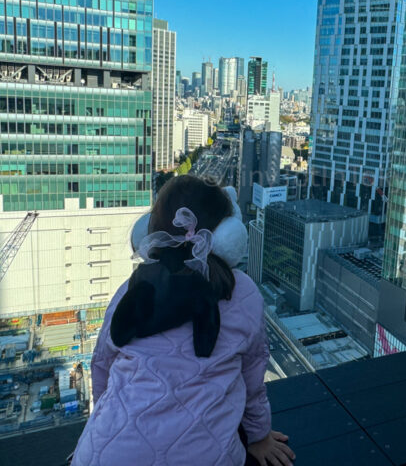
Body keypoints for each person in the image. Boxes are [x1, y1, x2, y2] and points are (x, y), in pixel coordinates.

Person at [70, 176, 295, 466]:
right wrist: (259, 436)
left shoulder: (131, 289)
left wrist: (101, 428)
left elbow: (102, 365)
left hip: (103, 455)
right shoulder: (243, 292)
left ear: (148, 231)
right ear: (228, 235)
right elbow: (253, 380)